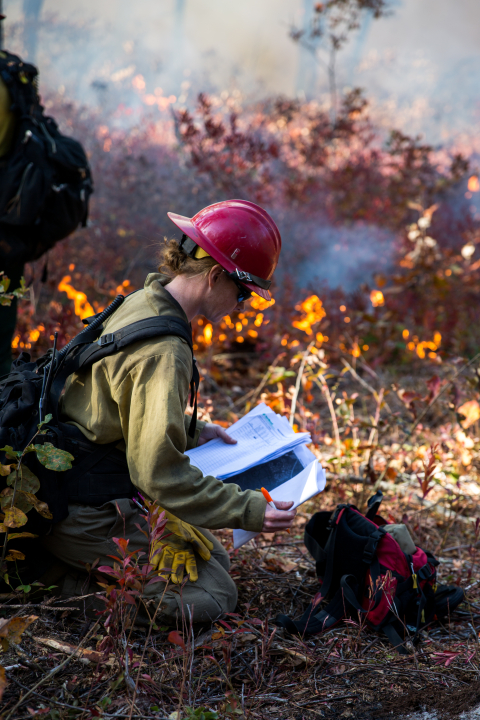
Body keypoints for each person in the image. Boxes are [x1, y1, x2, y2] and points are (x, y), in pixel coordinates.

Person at [41, 199, 296, 626]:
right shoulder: (166, 351)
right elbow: (157, 474)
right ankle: (52, 583)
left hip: (72, 484)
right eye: (244, 293)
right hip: (81, 508)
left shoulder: (146, 300)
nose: (242, 306)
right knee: (214, 594)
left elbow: (114, 402)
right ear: (216, 276)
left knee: (208, 553)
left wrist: (194, 431)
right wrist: (250, 509)